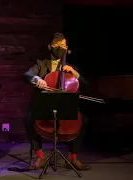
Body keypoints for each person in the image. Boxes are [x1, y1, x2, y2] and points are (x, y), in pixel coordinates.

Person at [24, 32, 91, 170]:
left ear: (67, 48)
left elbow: (87, 86)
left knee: (83, 119)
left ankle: (73, 158)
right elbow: (27, 74)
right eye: (56, 45)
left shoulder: (72, 68)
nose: (60, 48)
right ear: (50, 47)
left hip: (65, 108)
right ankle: (40, 157)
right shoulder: (41, 64)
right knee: (29, 118)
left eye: (63, 45)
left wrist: (75, 73)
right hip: (45, 108)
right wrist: (37, 79)